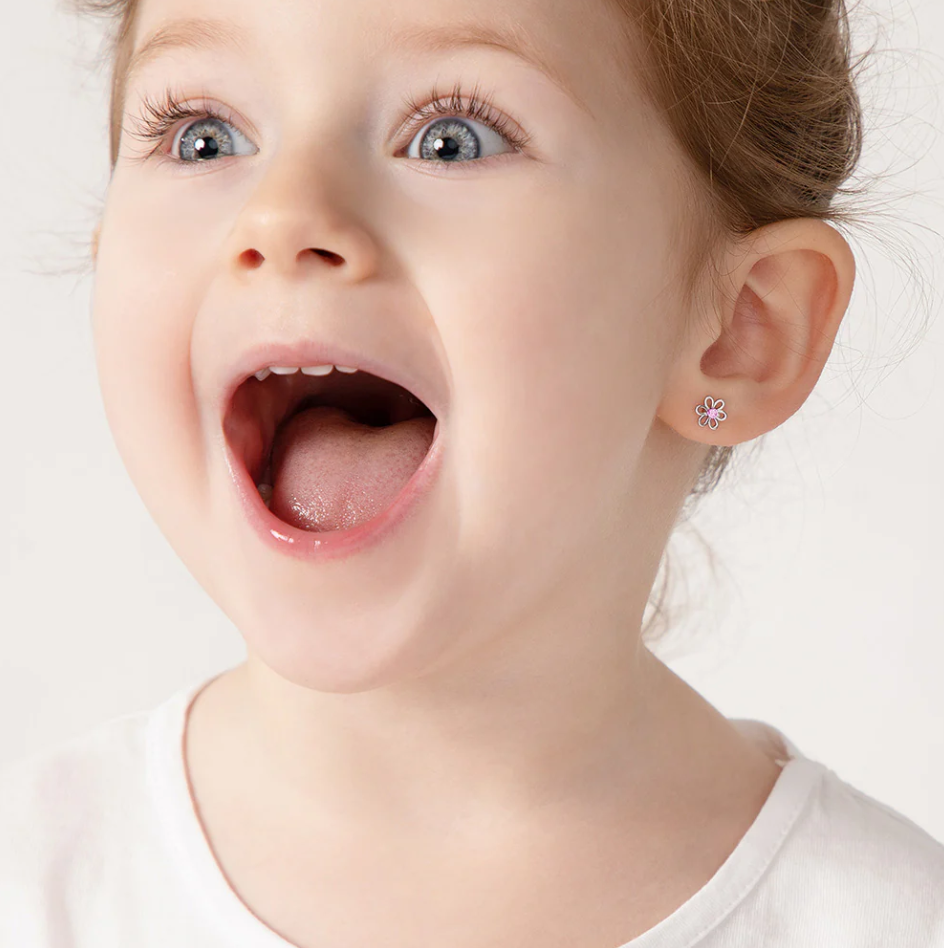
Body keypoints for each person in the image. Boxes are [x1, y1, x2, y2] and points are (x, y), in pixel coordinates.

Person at [1, 0, 942, 945]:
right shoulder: (35, 886)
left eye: (453, 139)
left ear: (743, 332)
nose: (282, 216)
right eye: (204, 138)